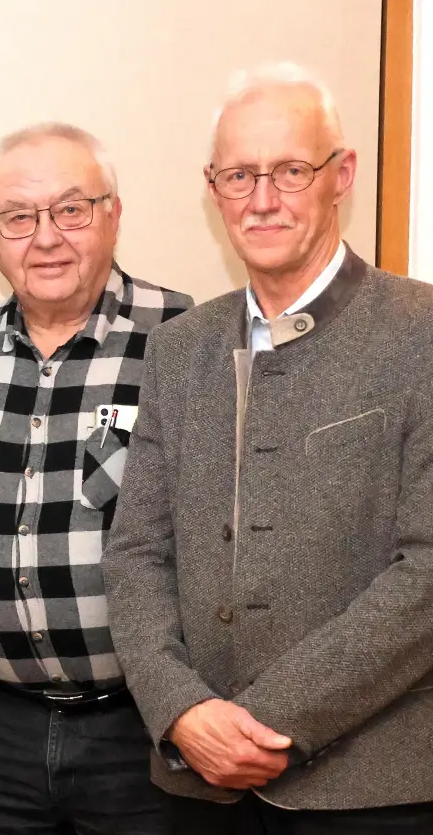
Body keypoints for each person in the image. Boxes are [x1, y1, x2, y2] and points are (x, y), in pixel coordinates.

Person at [105, 64, 433, 833]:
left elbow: (428, 571)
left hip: (370, 791)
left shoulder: (421, 334)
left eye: (290, 171)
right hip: (196, 790)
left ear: (340, 175)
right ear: (212, 188)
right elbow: (135, 556)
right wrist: (183, 710)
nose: (261, 200)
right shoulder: (180, 350)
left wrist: (260, 721)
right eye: (239, 175)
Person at [0, 123, 191, 834]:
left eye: (72, 209)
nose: (45, 237)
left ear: (114, 213)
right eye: (18, 216)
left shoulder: (185, 338)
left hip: (141, 730)